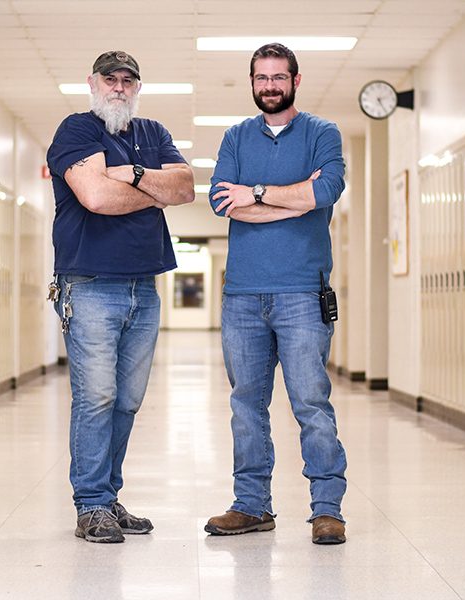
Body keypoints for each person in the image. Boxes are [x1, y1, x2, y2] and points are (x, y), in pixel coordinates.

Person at [46, 50, 194, 543]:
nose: (119, 87)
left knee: (127, 400)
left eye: (128, 80)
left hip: (144, 286)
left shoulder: (153, 133)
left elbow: (187, 188)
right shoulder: (77, 131)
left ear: (138, 87)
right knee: (97, 397)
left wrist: (126, 174)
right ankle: (89, 505)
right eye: (110, 78)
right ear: (92, 82)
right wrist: (154, 189)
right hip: (89, 284)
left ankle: (108, 499)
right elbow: (95, 198)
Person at [204, 43, 348, 545]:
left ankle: (327, 509)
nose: (269, 86)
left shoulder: (322, 133)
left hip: (302, 294)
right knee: (246, 403)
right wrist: (295, 199)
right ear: (251, 81)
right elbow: (224, 201)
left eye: (278, 77)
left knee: (310, 401)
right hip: (242, 294)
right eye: (261, 77)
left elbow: (325, 191)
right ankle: (251, 506)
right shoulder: (236, 137)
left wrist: (258, 193)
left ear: (295, 80)